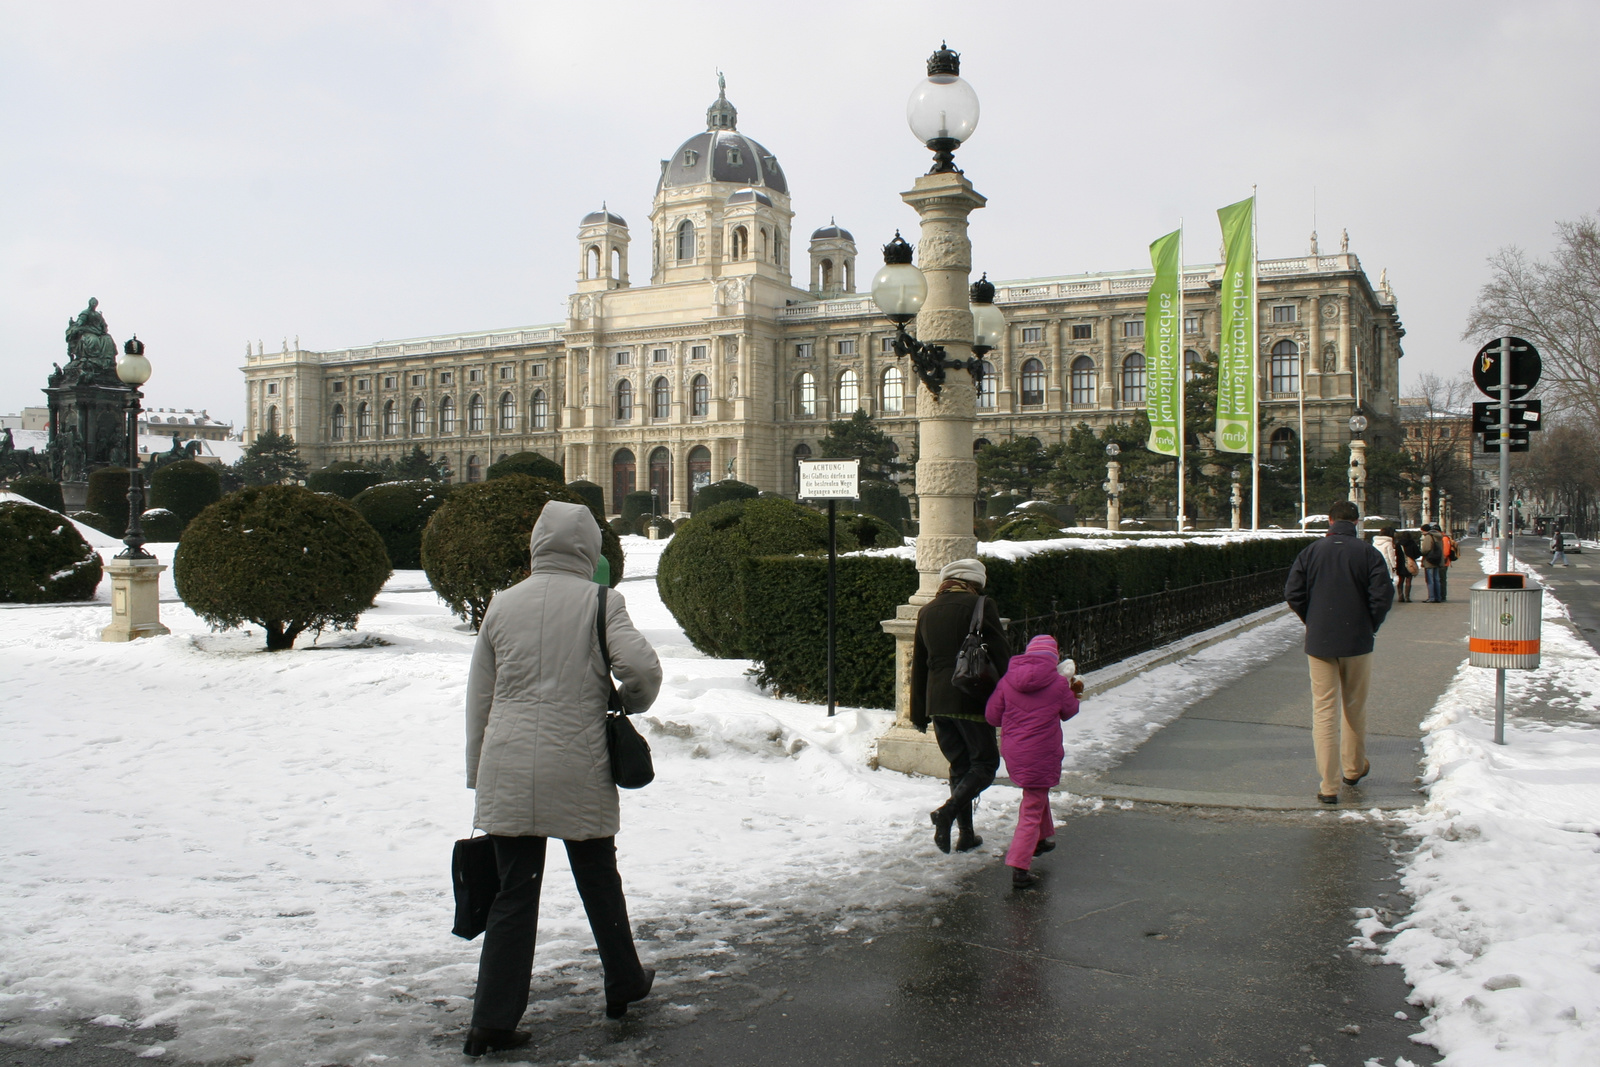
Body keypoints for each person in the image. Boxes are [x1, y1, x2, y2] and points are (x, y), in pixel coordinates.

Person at [462, 502, 663, 1056]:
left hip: (507, 761)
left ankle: (491, 1022)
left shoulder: (502, 605)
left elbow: (480, 696)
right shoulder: (602, 601)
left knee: (512, 896)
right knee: (599, 880)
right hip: (576, 760)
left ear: (537, 544)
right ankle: (623, 982)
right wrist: (627, 702)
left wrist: (478, 770)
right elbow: (642, 670)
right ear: (588, 548)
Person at [1284, 500, 1395, 805]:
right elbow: (1383, 595)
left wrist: (1314, 620)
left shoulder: (1311, 552)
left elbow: (1293, 592)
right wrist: (1368, 623)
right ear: (1357, 522)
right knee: (1354, 707)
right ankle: (1353, 768)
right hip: (1357, 642)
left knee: (1323, 711)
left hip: (1320, 642)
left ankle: (1328, 785)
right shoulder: (1368, 553)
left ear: (1329, 521)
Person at [911, 558, 1012, 854]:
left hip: (937, 702)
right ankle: (948, 811)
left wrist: (918, 712)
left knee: (960, 767)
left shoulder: (926, 611)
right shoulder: (981, 605)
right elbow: (1001, 655)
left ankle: (966, 835)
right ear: (974, 582)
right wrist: (1011, 699)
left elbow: (920, 664)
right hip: (971, 696)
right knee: (985, 764)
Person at [984, 634, 1082, 889]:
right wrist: (1072, 690)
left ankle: (1043, 838)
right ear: (1054, 657)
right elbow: (1070, 712)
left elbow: (992, 716)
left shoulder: (1008, 680)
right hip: (1042, 752)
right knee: (1031, 805)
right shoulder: (1058, 684)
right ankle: (1019, 866)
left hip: (1015, 752)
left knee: (1036, 793)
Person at [1372, 527, 1400, 601]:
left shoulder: (1375, 541)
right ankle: (1386, 595)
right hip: (1386, 563)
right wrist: (1394, 565)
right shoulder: (1388, 542)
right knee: (1388, 580)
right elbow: (1391, 555)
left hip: (1377, 562)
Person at [1419, 523, 1443, 602]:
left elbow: (1426, 549)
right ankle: (1438, 597)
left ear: (1425, 531)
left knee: (1430, 580)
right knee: (1436, 579)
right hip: (1437, 559)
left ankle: (1431, 597)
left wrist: (1421, 552)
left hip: (1430, 560)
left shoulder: (1428, 537)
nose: (1422, 533)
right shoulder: (1438, 536)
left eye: (1422, 531)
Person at [1395, 530, 1421, 603]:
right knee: (1408, 580)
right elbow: (1418, 554)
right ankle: (1407, 597)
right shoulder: (1412, 544)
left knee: (1400, 580)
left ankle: (1400, 596)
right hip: (1410, 564)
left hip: (1400, 564)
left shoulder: (1398, 544)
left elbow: (1396, 554)